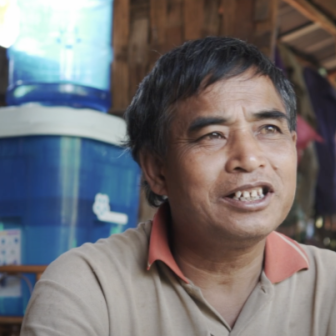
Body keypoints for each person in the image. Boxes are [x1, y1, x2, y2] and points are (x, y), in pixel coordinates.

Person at [21, 37, 336, 336]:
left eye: (269, 128)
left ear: (293, 147)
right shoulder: (87, 286)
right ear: (157, 170)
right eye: (212, 134)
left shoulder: (330, 285)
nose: (250, 158)